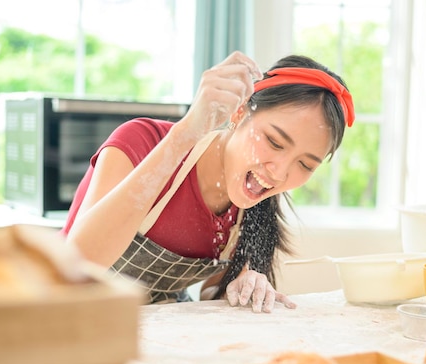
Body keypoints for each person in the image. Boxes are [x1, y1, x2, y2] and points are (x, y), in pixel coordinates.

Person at [61, 51, 354, 312]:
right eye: (275, 142)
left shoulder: (253, 201)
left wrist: (236, 290)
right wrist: (187, 133)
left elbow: (210, 293)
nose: (278, 173)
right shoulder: (141, 142)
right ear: (240, 112)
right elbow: (75, 265)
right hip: (69, 320)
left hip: (157, 333)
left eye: (305, 164)